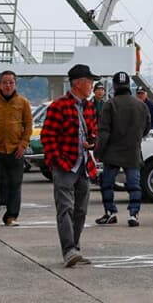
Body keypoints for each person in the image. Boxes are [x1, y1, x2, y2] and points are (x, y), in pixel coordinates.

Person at [42, 64, 99, 267]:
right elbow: (47, 136)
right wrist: (57, 160)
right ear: (78, 83)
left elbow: (93, 131)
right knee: (65, 208)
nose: (92, 85)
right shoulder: (59, 106)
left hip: (83, 164)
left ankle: (74, 247)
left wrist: (91, 140)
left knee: (81, 210)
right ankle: (68, 250)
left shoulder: (89, 106)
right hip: (65, 165)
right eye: (89, 81)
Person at [95, 71, 150, 227]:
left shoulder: (110, 104)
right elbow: (147, 128)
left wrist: (98, 151)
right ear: (128, 85)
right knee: (134, 185)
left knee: (107, 184)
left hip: (112, 152)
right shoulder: (141, 105)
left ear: (115, 86)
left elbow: (103, 131)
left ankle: (110, 212)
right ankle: (134, 214)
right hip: (132, 150)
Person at [0, 70, 33, 227]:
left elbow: (28, 125)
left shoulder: (23, 103)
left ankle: (11, 216)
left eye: (11, 82)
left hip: (16, 150)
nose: (8, 85)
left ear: (15, 84)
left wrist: (23, 144)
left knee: (15, 184)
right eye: (5, 82)